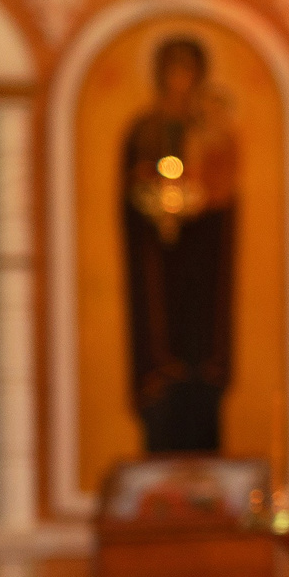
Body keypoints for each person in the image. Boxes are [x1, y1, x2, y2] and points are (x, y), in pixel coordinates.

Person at [121, 34, 237, 453]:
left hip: (203, 249)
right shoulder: (145, 129)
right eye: (172, 69)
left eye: (187, 70)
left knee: (200, 342)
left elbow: (227, 193)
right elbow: (131, 186)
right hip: (156, 251)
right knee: (161, 333)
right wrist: (153, 196)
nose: (179, 79)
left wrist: (203, 194)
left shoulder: (212, 127)